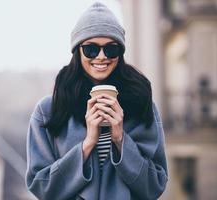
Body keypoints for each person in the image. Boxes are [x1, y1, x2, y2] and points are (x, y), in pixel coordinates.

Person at [25, 2, 168, 200]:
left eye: (111, 49)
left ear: (120, 52)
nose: (101, 57)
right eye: (91, 49)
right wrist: (88, 143)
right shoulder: (49, 110)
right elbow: (40, 186)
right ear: (77, 51)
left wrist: (120, 139)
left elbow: (155, 186)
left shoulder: (142, 104)